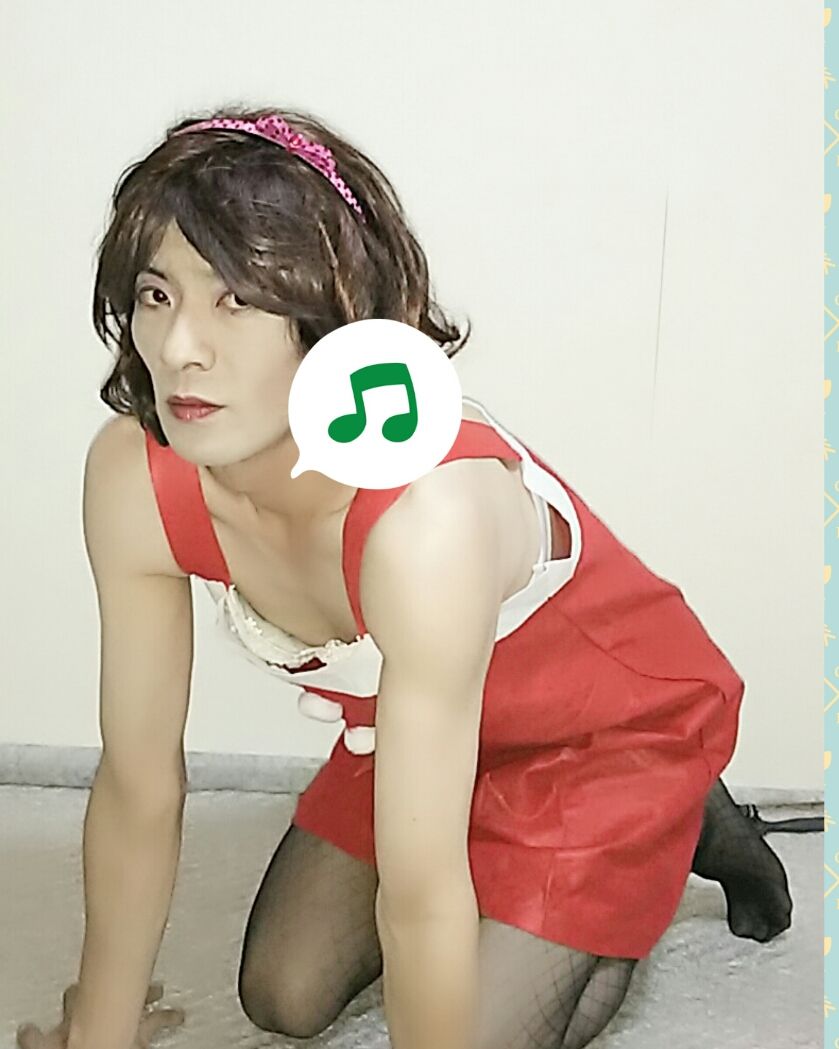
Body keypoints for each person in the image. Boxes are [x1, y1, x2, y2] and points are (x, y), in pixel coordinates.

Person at [17, 107, 820, 1049]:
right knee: (283, 994)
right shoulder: (134, 476)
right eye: (157, 295)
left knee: (475, 1025)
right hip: (428, 727)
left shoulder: (424, 519)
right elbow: (138, 782)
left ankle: (672, 818)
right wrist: (100, 1026)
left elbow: (421, 889)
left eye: (237, 299)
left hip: (598, 734)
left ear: (335, 315)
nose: (180, 347)